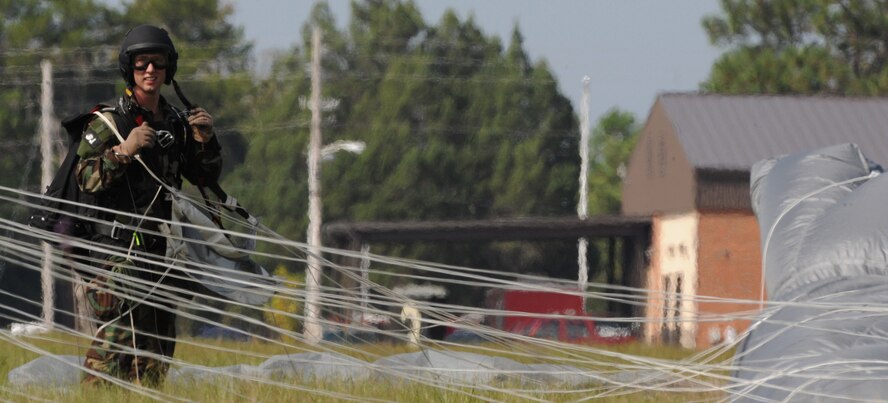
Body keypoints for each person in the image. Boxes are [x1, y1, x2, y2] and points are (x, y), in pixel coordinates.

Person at [75, 24, 222, 387]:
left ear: (168, 69)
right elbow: (85, 179)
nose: (150, 72)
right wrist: (123, 151)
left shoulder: (176, 123)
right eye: (142, 65)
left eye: (157, 64)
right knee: (114, 353)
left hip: (161, 255)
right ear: (131, 70)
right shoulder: (110, 122)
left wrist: (204, 140)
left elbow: (201, 178)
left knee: (156, 356)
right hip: (117, 257)